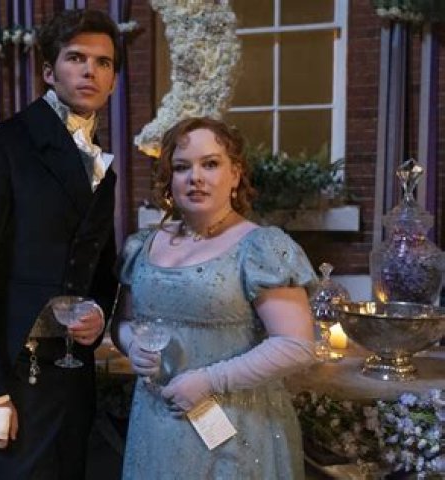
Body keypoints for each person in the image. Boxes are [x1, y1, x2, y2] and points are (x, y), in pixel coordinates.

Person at [0, 9, 121, 480]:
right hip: (12, 376)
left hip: (72, 377)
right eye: (76, 58)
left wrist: (98, 312)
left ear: (114, 81)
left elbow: (100, 269)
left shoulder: (104, 168)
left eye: (103, 62)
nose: (90, 71)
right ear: (48, 71)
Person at [111, 117, 317, 479]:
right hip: (156, 424)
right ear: (168, 179)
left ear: (235, 174)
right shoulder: (142, 245)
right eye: (181, 167)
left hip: (236, 426)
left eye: (210, 164)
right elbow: (124, 322)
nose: (195, 177)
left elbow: (295, 345)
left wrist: (209, 381)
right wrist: (132, 343)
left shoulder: (262, 247)